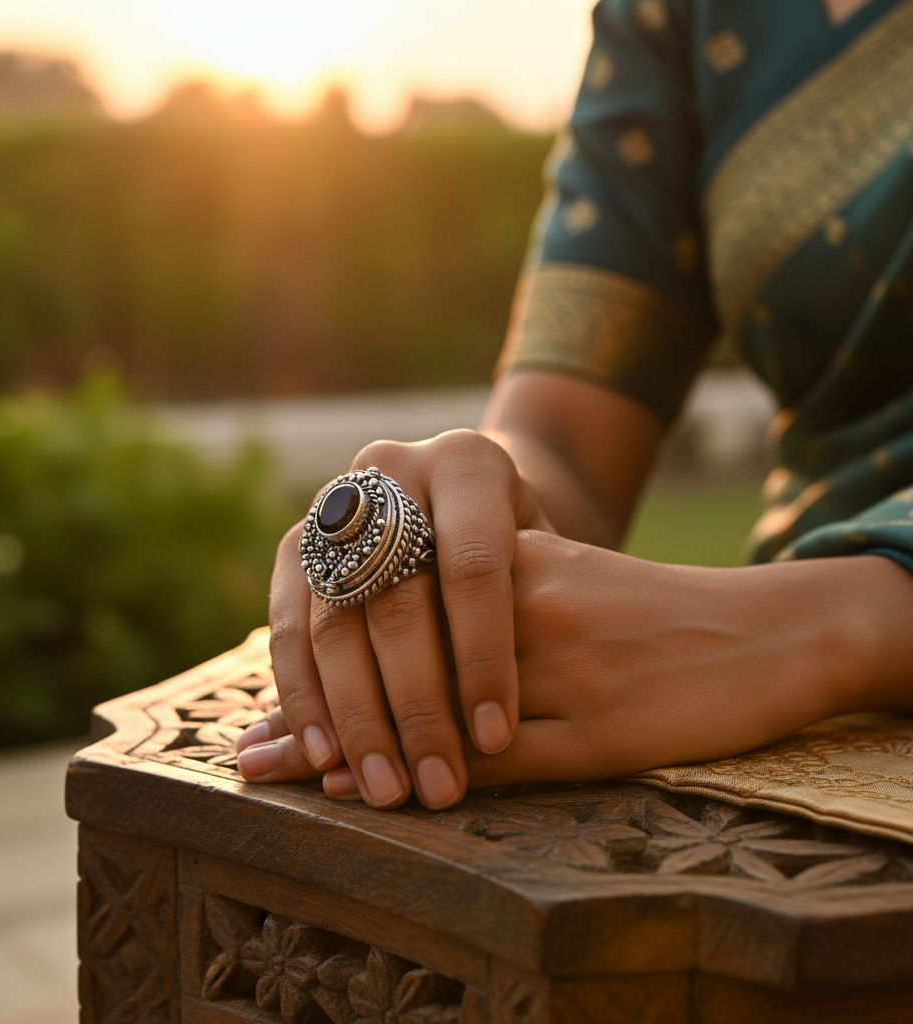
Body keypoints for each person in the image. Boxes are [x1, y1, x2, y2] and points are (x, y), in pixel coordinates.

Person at [235, 0, 913, 810]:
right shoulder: (674, 17)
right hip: (788, 716)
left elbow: (785, 634)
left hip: (782, 661)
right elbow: (566, 436)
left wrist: (816, 630)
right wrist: (460, 523)